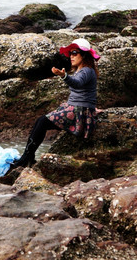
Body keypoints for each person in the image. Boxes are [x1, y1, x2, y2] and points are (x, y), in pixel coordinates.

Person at [12, 38, 100, 168]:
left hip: (78, 111)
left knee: (42, 122)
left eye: (75, 52)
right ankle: (28, 156)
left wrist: (63, 76)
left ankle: (27, 157)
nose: (71, 56)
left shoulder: (86, 70)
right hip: (77, 107)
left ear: (84, 55)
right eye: (70, 53)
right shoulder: (82, 70)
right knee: (40, 121)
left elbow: (78, 83)